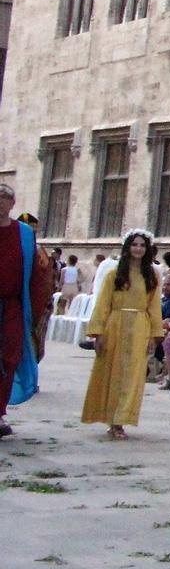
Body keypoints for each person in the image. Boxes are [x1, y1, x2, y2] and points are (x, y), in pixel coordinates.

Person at [81, 230, 165, 440]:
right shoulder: (114, 274)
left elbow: (154, 307)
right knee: (112, 372)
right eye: (134, 245)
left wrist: (155, 335)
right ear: (127, 248)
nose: (138, 249)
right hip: (115, 325)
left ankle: (121, 419)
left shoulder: (152, 276)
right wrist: (98, 332)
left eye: (142, 245)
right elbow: (103, 304)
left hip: (139, 327)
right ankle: (110, 417)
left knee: (132, 375)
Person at [0, 185, 55, 438]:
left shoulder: (23, 234)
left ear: (12, 204)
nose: (1, 203)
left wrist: (33, 307)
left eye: (5, 199)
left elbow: (38, 273)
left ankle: (0, 412)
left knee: (9, 357)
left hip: (12, 305)